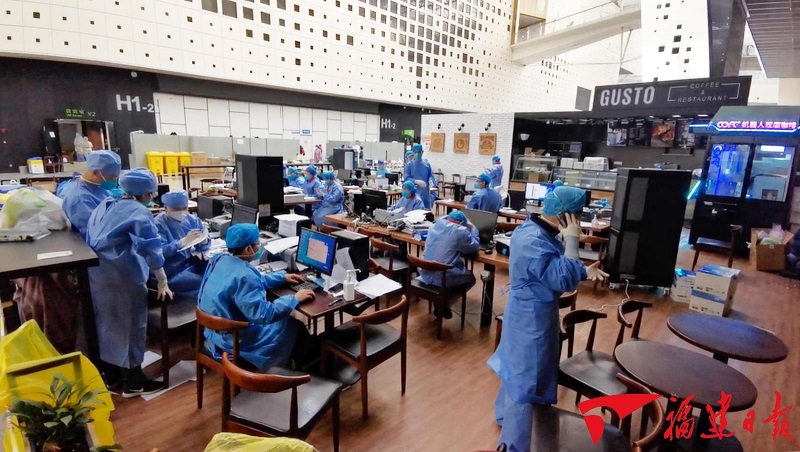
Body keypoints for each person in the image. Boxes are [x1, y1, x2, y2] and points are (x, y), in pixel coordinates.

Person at [486, 186, 607, 452]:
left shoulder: (534, 230)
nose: (579, 221)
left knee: (516, 370)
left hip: (525, 310)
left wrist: (583, 270)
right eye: (577, 216)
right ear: (566, 216)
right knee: (527, 379)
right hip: (532, 318)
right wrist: (573, 242)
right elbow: (562, 280)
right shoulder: (534, 241)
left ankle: (506, 417)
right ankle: (515, 444)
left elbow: (548, 271)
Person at [86, 168, 173, 396]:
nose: (151, 197)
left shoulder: (106, 203)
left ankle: (112, 377)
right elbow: (151, 248)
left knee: (108, 326)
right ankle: (134, 383)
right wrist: (162, 281)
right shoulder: (137, 212)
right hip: (122, 277)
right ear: (144, 193)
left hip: (98, 275)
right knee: (131, 327)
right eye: (151, 193)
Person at [197, 224, 317, 371]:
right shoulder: (244, 275)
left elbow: (249, 283)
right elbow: (265, 314)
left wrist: (282, 277)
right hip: (236, 341)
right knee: (293, 324)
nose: (259, 247)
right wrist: (295, 298)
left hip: (214, 334)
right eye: (257, 244)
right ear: (248, 249)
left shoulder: (219, 259)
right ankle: (306, 368)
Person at [418, 210, 480, 318]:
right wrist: (474, 229)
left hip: (425, 272)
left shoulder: (433, 227)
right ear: (461, 223)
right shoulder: (460, 231)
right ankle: (446, 301)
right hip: (441, 276)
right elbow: (474, 247)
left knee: (453, 266)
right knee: (470, 278)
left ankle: (441, 300)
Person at [153, 190, 210, 300]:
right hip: (170, 272)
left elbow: (203, 245)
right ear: (166, 208)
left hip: (188, 265)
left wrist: (204, 241)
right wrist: (182, 242)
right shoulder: (158, 224)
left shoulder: (192, 220)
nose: (181, 212)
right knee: (205, 284)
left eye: (184, 208)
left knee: (215, 275)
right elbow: (157, 253)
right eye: (176, 209)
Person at [60, 150, 122, 239]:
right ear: (95, 172)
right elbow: (95, 232)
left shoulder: (96, 186)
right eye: (112, 178)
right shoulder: (79, 199)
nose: (115, 181)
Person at [403, 144, 436, 209]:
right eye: (415, 152)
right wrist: (415, 181)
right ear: (413, 152)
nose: (417, 154)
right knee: (414, 210)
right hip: (413, 192)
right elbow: (406, 178)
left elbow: (431, 175)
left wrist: (431, 181)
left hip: (425, 193)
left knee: (425, 211)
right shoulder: (409, 165)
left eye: (419, 152)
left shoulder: (426, 164)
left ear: (422, 152)